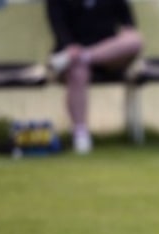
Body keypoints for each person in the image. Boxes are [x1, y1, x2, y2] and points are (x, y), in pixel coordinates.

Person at [45, 0, 143, 154]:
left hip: (108, 57)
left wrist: (126, 32)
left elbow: (129, 26)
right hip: (72, 58)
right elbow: (59, 29)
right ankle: (80, 133)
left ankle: (87, 55)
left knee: (135, 41)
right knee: (77, 71)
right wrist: (70, 47)